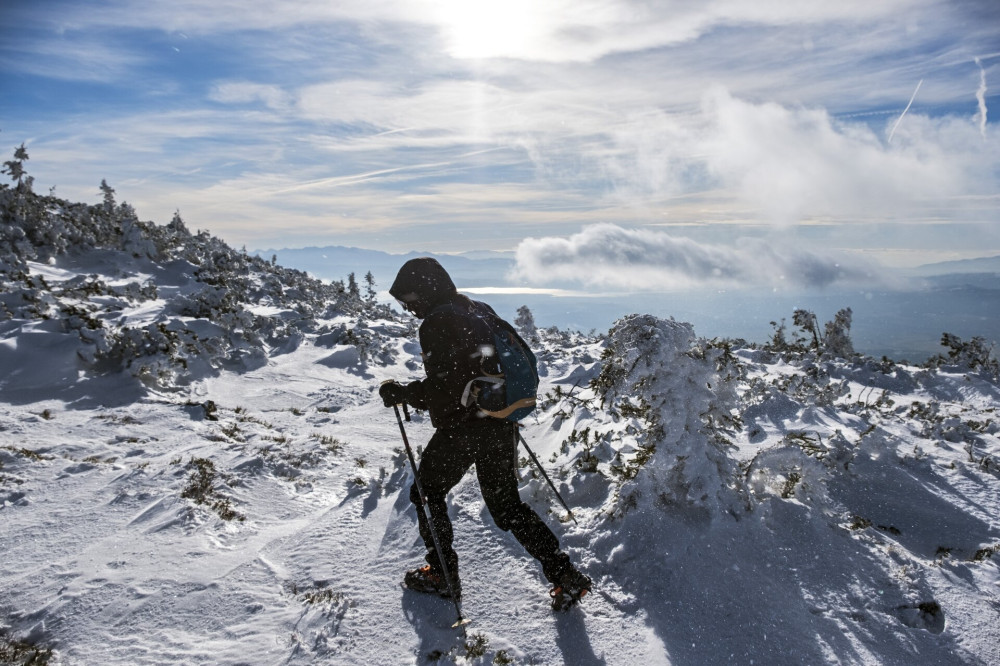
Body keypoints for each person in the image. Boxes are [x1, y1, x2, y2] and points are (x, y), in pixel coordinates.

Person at [379, 257, 591, 611]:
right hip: (499, 420)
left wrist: (403, 393)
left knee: (426, 491)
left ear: (427, 291)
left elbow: (446, 387)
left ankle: (442, 574)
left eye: (410, 300)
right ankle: (564, 575)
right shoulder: (476, 308)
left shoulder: (438, 320)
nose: (410, 309)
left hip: (464, 428)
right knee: (507, 507)